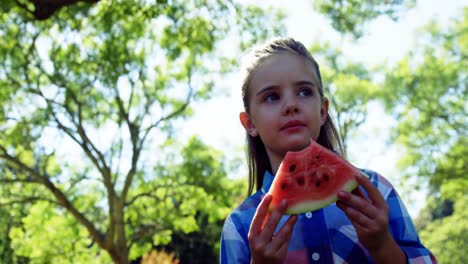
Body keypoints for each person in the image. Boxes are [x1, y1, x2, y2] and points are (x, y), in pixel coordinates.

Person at [220, 37, 436, 264]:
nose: (291, 105)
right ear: (250, 123)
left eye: (304, 92)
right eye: (272, 97)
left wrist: (382, 246)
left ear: (323, 111)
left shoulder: (375, 190)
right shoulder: (240, 225)